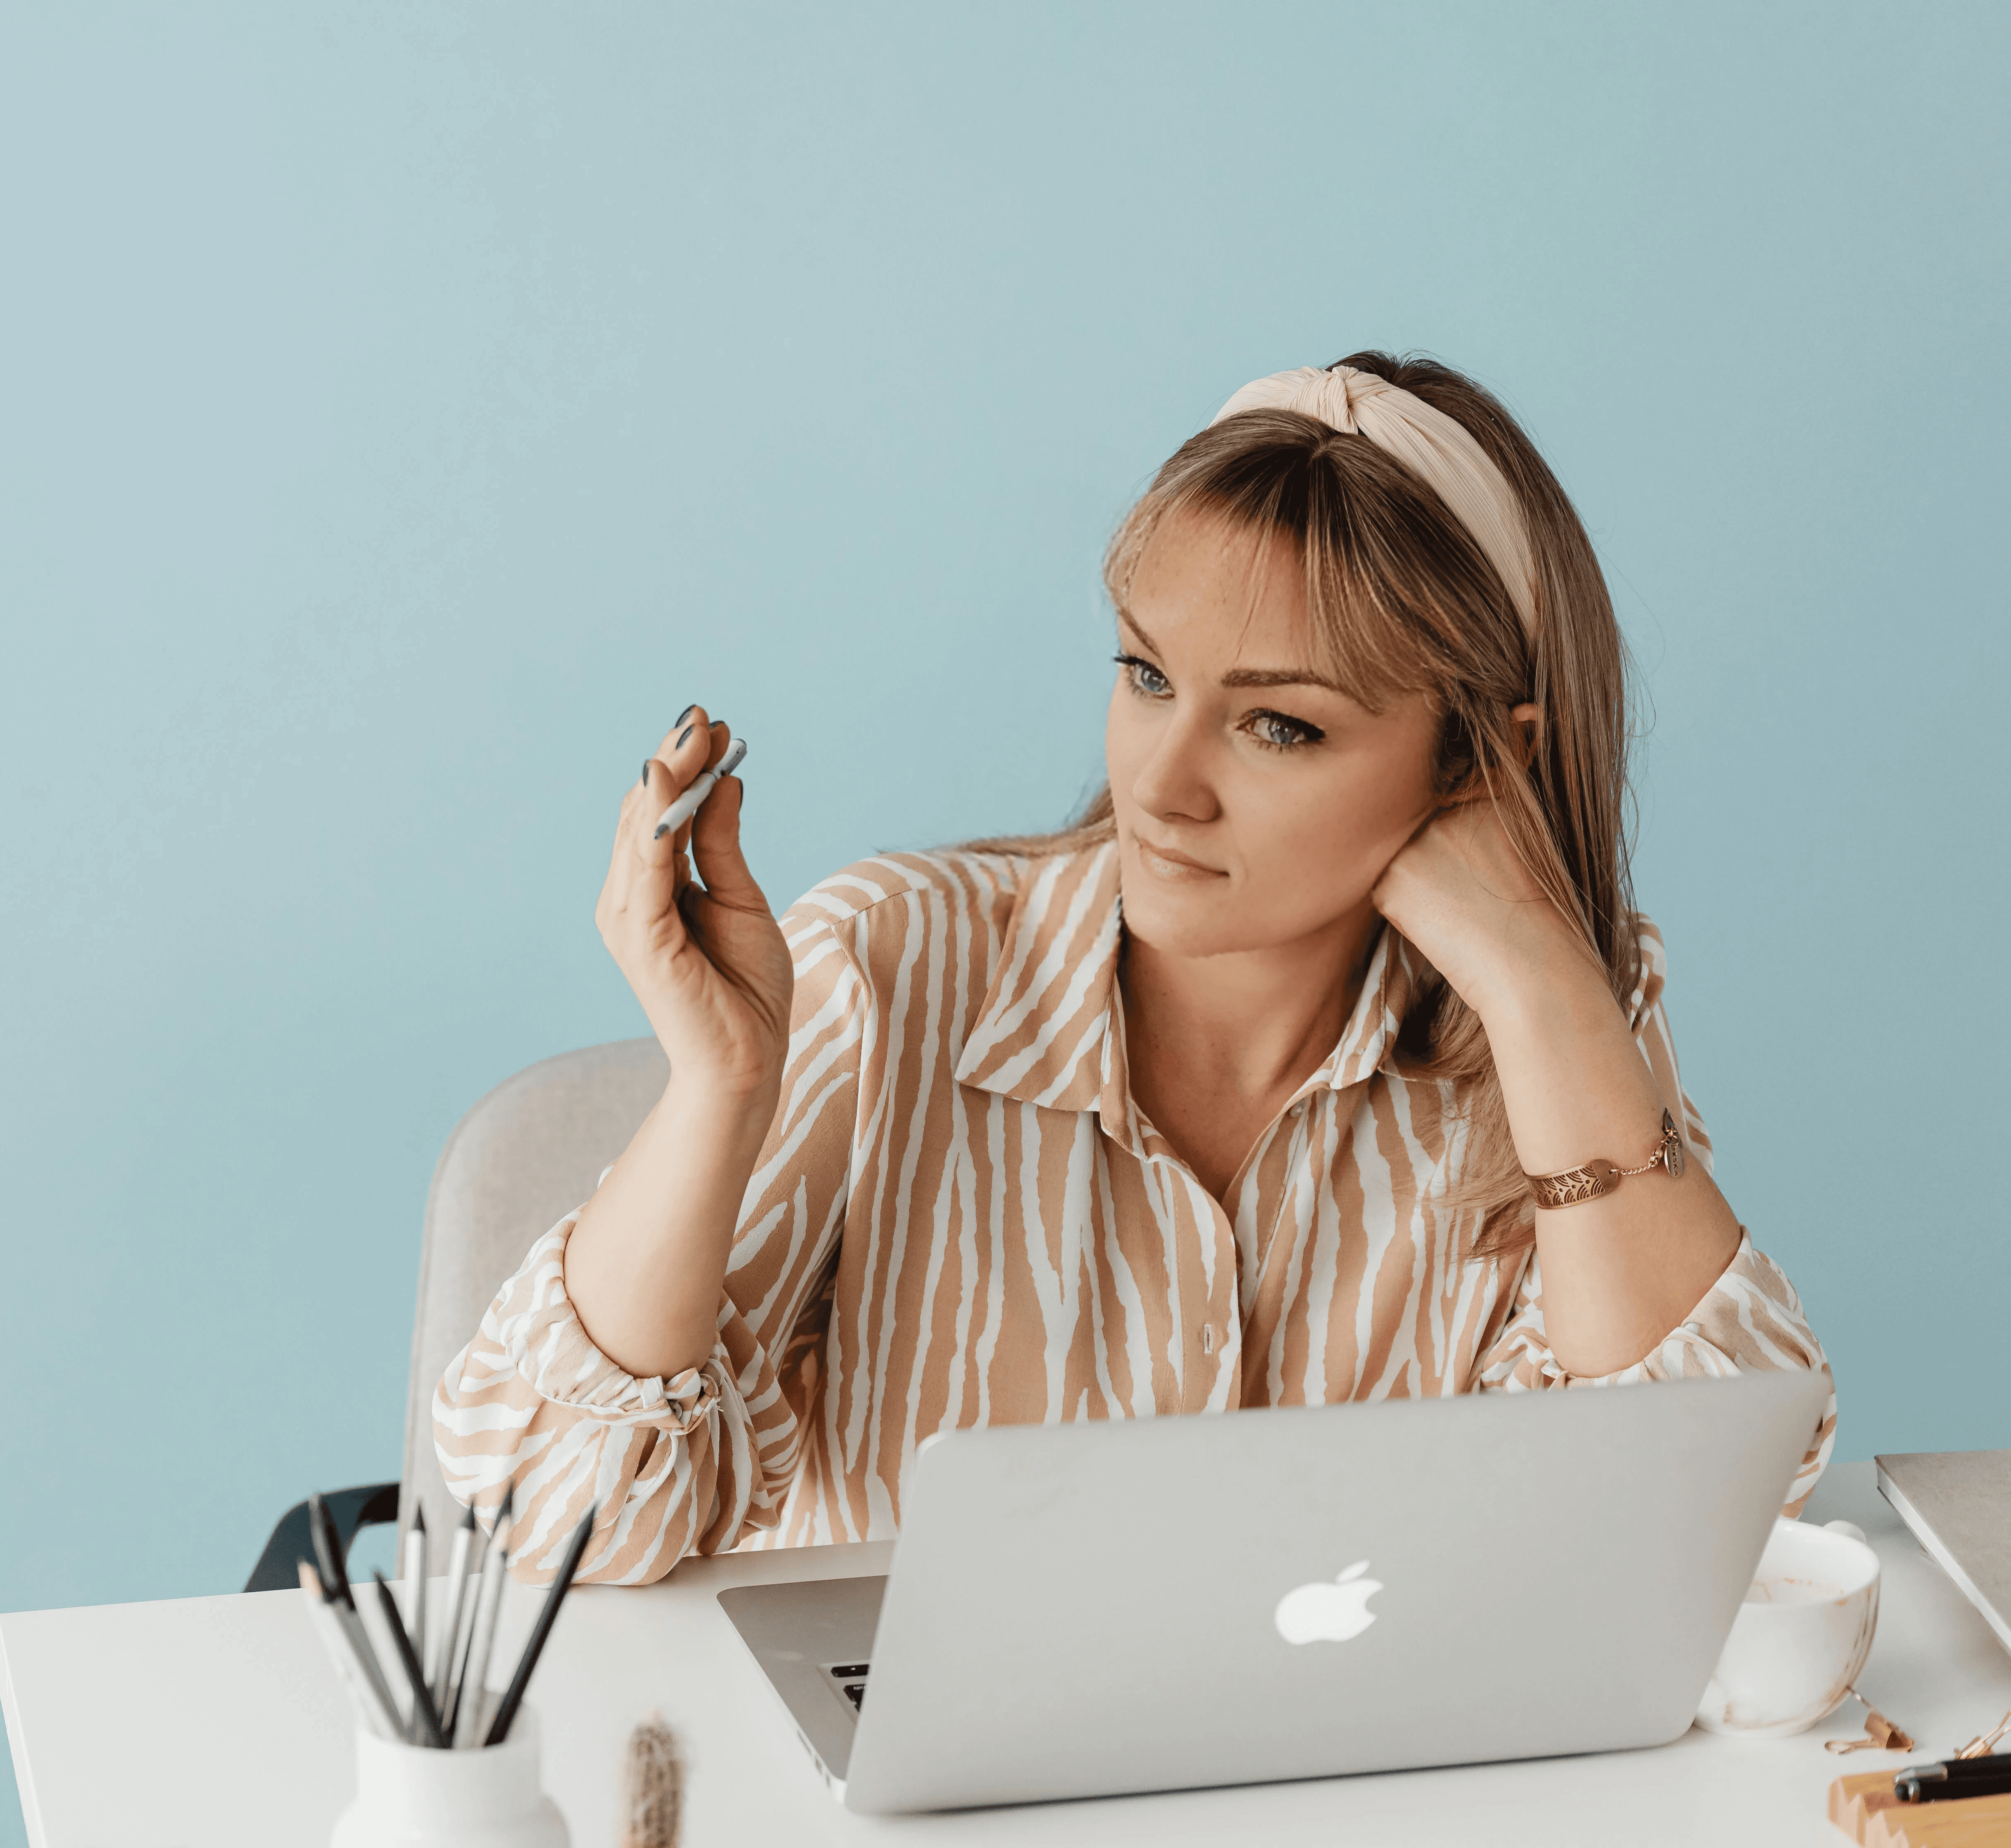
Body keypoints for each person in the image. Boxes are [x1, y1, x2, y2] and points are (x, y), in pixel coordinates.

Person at [436, 353, 1833, 1582]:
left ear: (1476, 756)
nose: (1162, 788)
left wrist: (1538, 989)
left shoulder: (1555, 1036)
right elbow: (545, 1526)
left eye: (1279, 726)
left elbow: (1714, 1520)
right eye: (1148, 677)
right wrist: (724, 1087)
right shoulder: (890, 963)